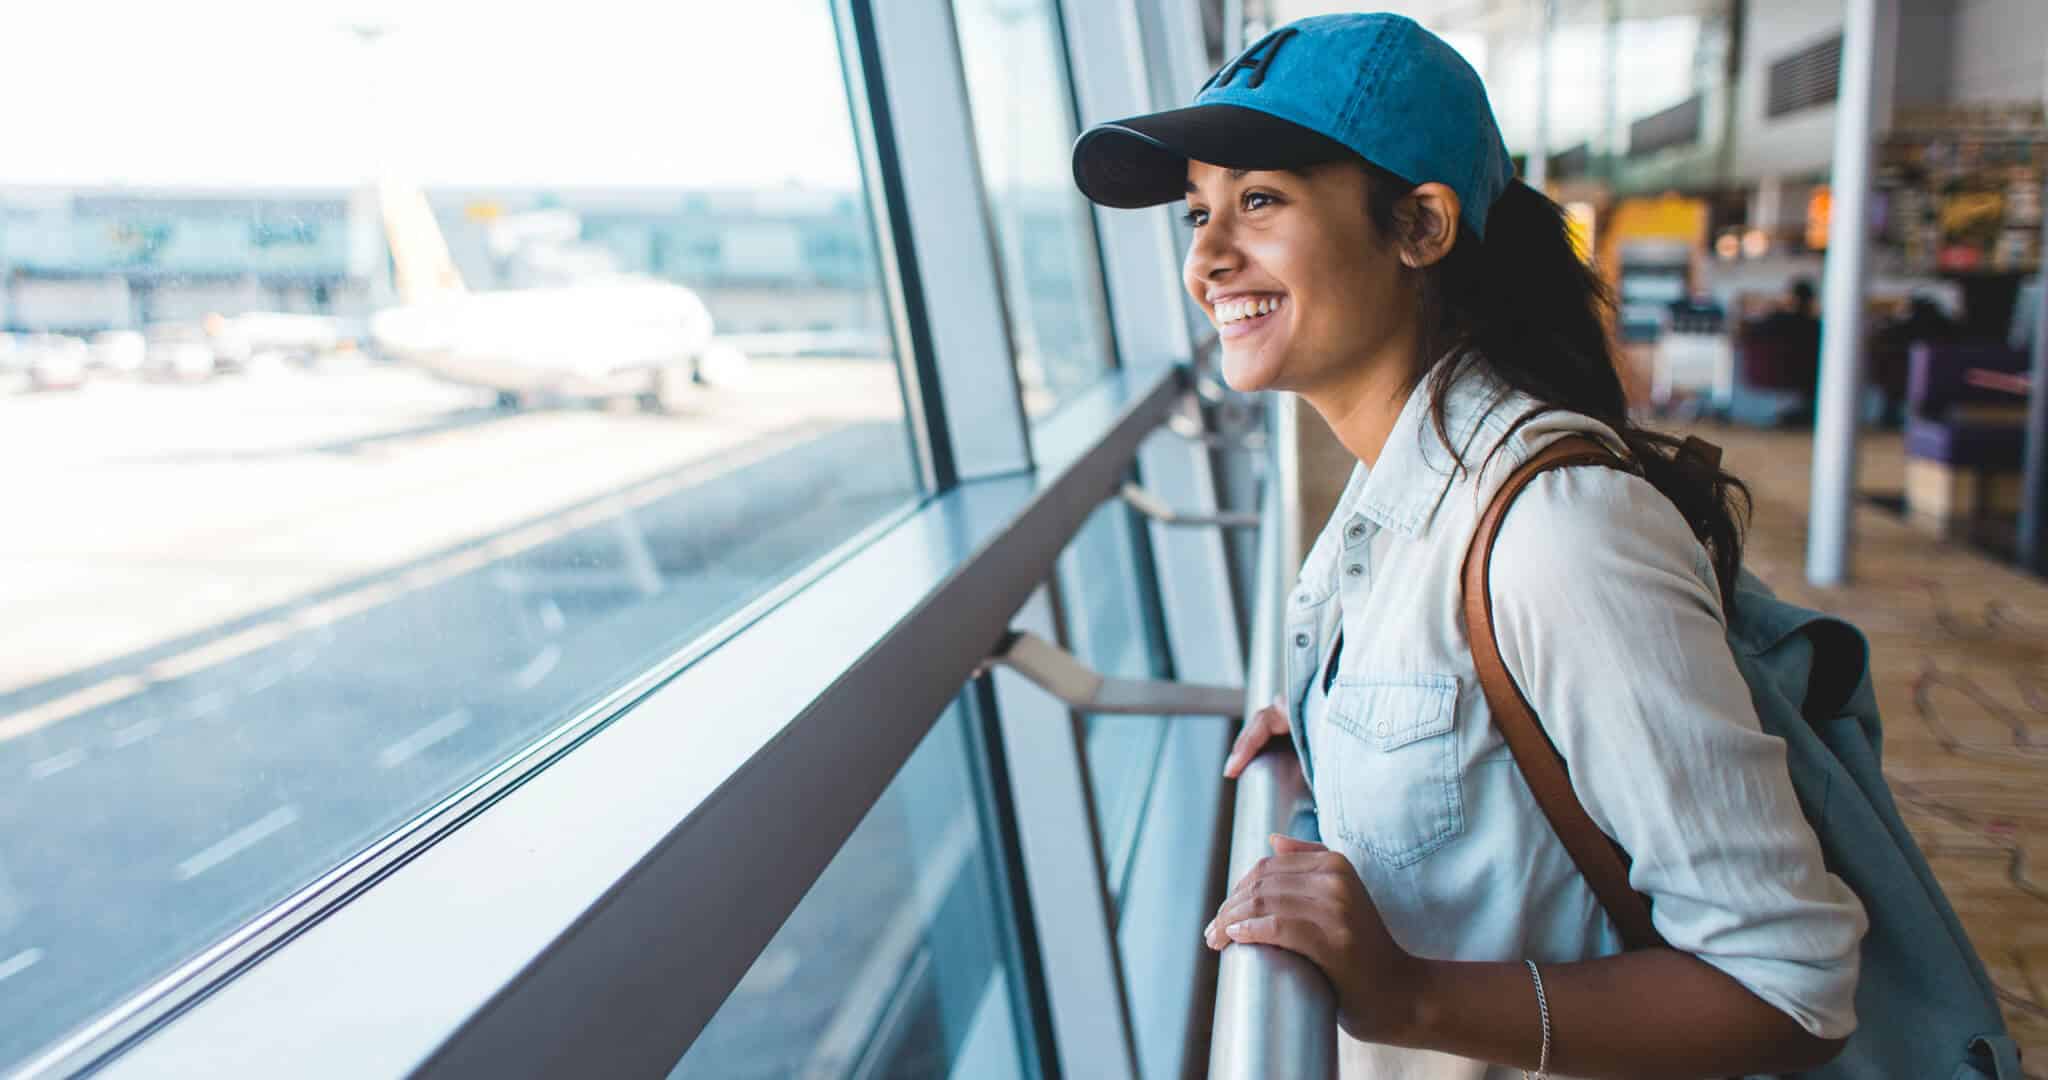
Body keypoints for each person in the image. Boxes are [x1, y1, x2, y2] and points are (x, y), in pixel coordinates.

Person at [1072, 14, 1865, 1079]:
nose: (1207, 259)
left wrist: (1413, 995)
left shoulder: (1556, 534)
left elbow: (1787, 983)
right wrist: (1336, 728)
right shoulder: (1393, 489)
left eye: (1257, 202)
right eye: (1196, 214)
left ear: (1420, 226)